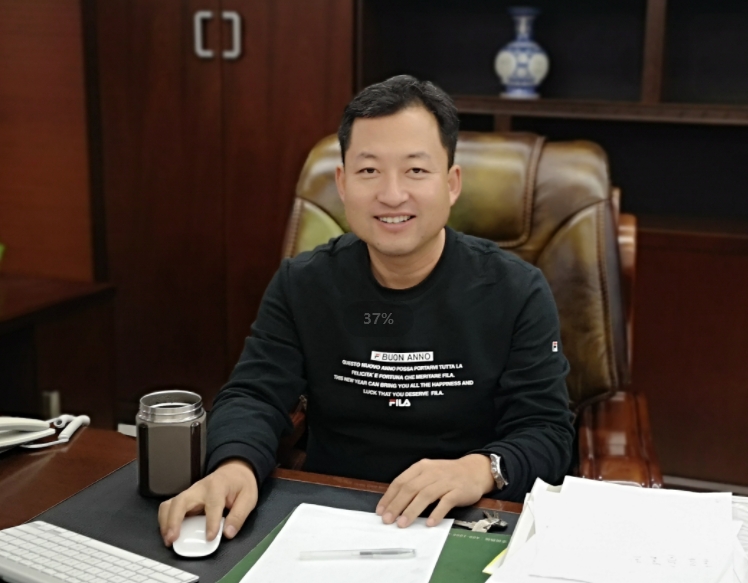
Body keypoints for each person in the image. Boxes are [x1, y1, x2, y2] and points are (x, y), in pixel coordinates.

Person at [158, 75, 574, 547]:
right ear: (342, 183)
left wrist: (481, 469)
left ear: (451, 183)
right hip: (331, 514)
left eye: (415, 170)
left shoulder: (516, 290)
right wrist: (234, 465)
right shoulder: (304, 283)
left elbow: (547, 431)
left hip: (465, 521)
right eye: (369, 170)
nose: (392, 194)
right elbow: (255, 394)